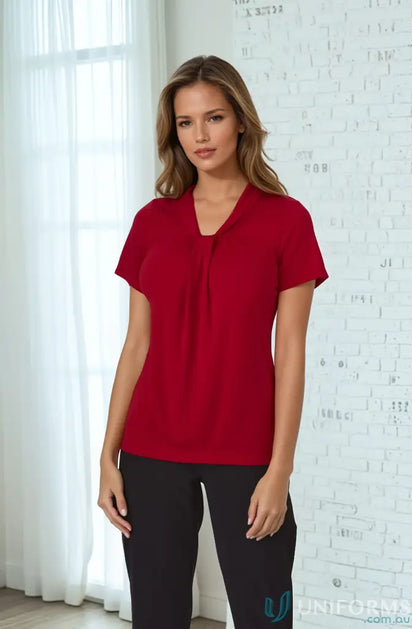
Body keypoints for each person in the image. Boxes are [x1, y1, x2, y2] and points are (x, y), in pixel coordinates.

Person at [98, 55, 329, 629]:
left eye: (214, 117)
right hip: (151, 450)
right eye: (185, 122)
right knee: (157, 615)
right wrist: (107, 456)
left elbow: (290, 354)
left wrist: (280, 469)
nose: (199, 135)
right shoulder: (152, 221)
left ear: (241, 121)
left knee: (264, 614)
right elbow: (136, 345)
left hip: (247, 451)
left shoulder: (286, 220)